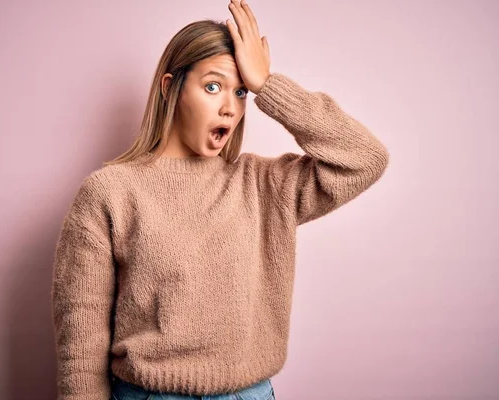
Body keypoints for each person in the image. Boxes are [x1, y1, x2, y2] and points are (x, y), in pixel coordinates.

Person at [50, 0, 390, 399]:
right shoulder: (110, 193)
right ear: (170, 88)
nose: (230, 108)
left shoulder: (263, 186)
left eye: (240, 91)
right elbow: (81, 338)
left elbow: (366, 158)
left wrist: (268, 85)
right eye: (213, 87)